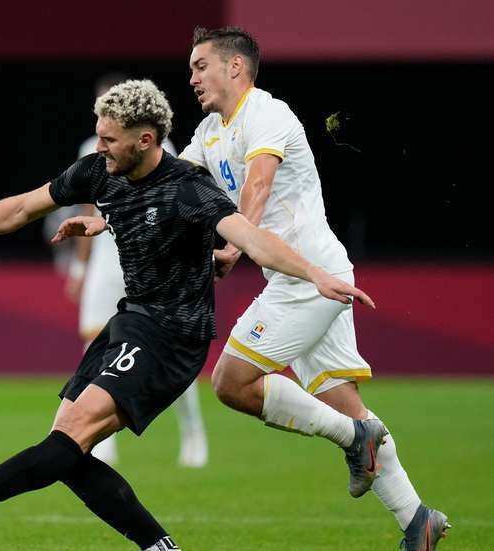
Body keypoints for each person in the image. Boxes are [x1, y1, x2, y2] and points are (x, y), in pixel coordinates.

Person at [0, 79, 375, 550]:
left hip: (173, 336)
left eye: (109, 139)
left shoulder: (188, 188)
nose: (99, 147)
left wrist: (314, 273)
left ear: (144, 140)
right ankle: (160, 547)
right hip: (131, 321)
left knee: (70, 438)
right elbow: (22, 208)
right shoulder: (99, 171)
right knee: (65, 448)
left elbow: (253, 239)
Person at [178, 26, 449, 551]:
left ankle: (356, 441)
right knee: (345, 405)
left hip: (308, 277)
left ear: (235, 66)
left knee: (231, 382)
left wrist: (235, 246)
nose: (192, 78)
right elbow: (170, 182)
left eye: (200, 66)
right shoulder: (210, 130)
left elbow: (258, 184)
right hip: (312, 278)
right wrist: (107, 215)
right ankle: (419, 521)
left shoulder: (267, 113)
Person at [66, 74, 207, 468]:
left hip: (150, 261)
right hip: (104, 260)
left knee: (166, 352)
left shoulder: (162, 149)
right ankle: (101, 441)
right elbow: (86, 211)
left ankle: (193, 432)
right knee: (95, 344)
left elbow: (181, 206)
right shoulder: (90, 151)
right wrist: (79, 267)